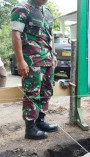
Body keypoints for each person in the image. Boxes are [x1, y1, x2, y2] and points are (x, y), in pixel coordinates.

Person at [11, 0, 58, 140]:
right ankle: (30, 128)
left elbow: (51, 35)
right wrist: (20, 61)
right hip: (31, 60)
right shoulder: (22, 8)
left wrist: (53, 54)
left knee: (47, 90)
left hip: (48, 59)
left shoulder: (47, 11)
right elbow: (16, 34)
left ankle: (41, 121)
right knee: (32, 92)